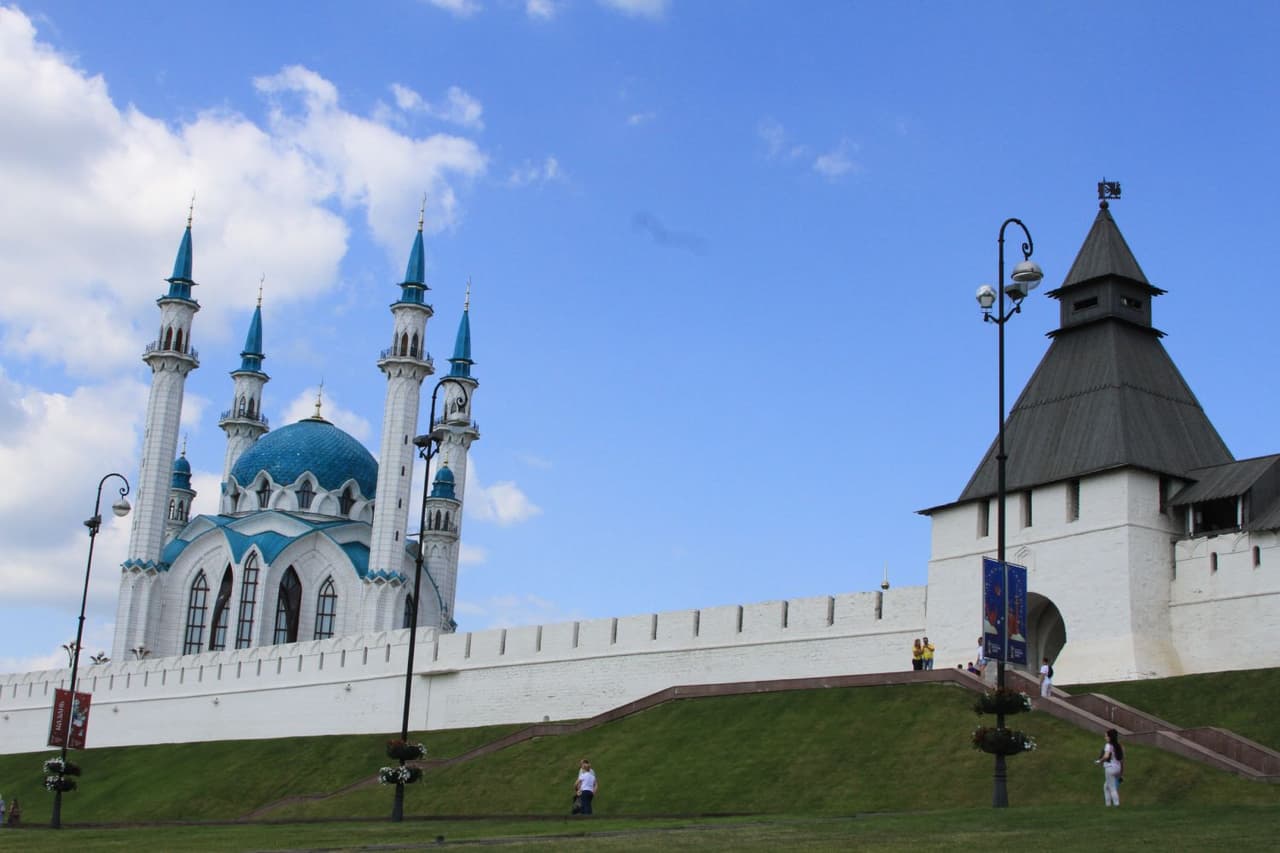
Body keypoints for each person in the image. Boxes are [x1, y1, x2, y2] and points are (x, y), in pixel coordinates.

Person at [1095, 728, 1125, 806]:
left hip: (1110, 768)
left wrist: (1099, 761)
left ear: (1110, 737)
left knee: (1112, 788)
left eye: (1106, 736)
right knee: (1106, 787)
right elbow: (1122, 760)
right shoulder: (1119, 746)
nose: (1105, 737)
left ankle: (1116, 805)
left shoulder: (1108, 745)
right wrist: (1121, 774)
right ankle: (1108, 805)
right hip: (1117, 768)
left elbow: (1106, 756)